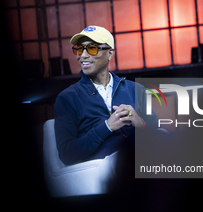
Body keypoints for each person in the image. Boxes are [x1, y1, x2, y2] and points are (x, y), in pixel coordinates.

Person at [54, 25, 158, 165]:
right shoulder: (67, 98)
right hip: (101, 170)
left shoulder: (136, 89)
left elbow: (159, 135)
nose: (83, 55)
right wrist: (106, 127)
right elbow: (66, 154)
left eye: (92, 48)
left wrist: (139, 122)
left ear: (110, 53)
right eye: (79, 49)